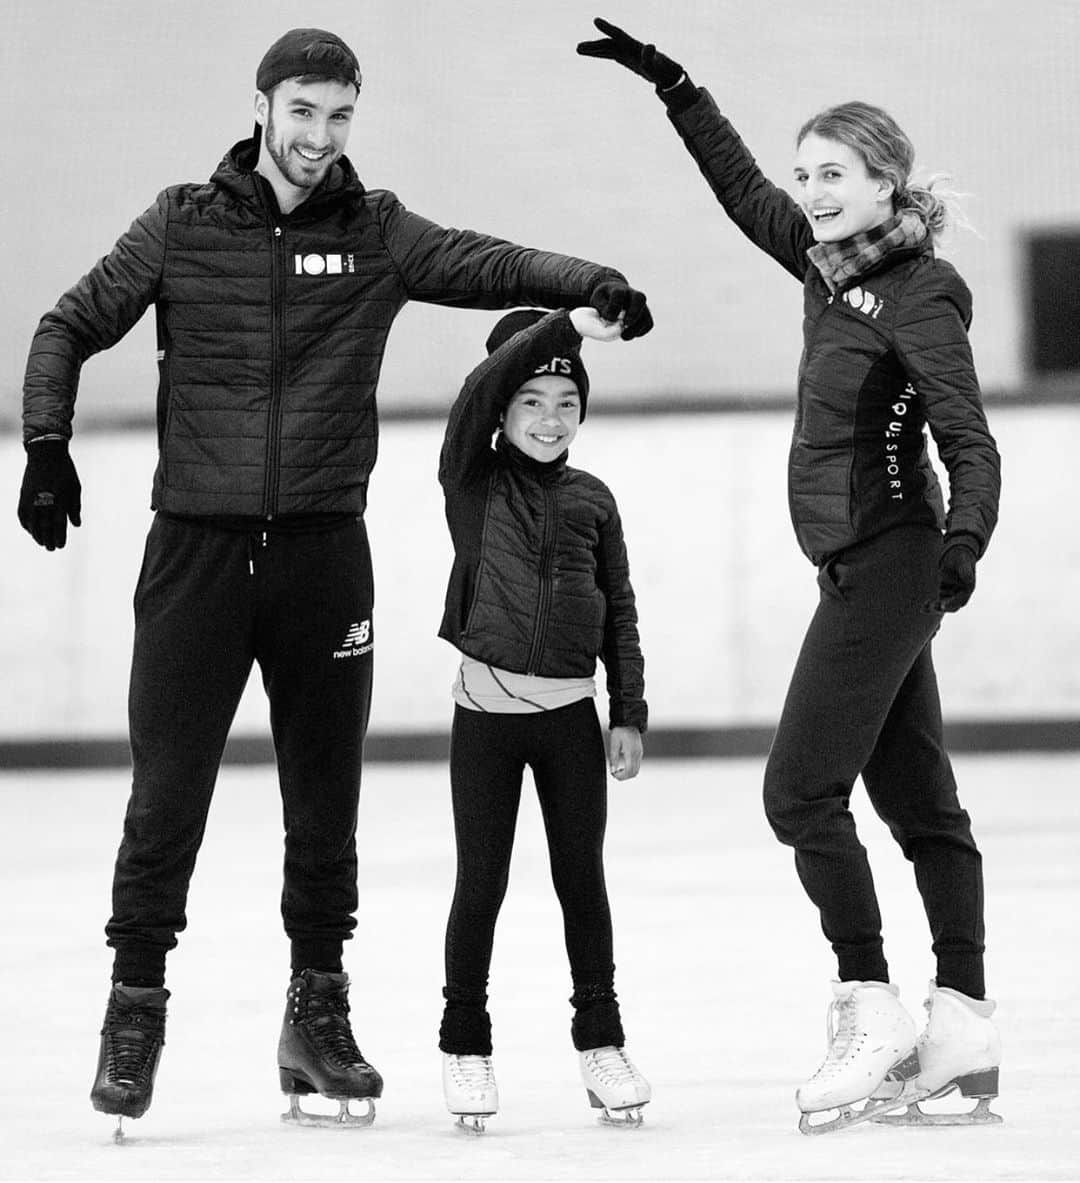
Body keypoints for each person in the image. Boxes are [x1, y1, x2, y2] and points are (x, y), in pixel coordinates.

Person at [18, 27, 654, 1137]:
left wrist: (586, 283)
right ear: (262, 107)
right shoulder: (181, 222)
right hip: (197, 556)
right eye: (301, 112)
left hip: (323, 555)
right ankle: (135, 1009)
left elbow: (487, 263)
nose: (318, 137)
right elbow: (69, 323)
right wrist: (43, 443)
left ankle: (317, 1014)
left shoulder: (377, 232)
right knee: (167, 796)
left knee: (326, 802)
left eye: (339, 116)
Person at [578, 18, 1002, 1134]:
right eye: (805, 173)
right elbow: (737, 187)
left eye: (834, 175)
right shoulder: (823, 270)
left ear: (885, 185)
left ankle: (872, 1008)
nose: (810, 191)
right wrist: (676, 88)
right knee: (920, 804)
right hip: (856, 567)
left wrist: (963, 544)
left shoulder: (922, 290)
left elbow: (970, 439)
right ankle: (962, 1022)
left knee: (799, 790)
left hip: (896, 559)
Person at [434, 305, 651, 1132]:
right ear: (500, 409)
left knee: (581, 880)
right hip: (486, 717)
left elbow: (618, 609)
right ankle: (465, 1044)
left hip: (571, 721)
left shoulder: (594, 500)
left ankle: (601, 1040)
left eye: (566, 401)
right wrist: (559, 325)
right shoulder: (472, 480)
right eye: (530, 400)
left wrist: (625, 710)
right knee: (480, 881)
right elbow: (473, 396)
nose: (550, 418)